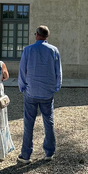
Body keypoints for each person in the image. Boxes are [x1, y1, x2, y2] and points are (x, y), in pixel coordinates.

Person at [17, 25, 62, 163]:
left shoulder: (28, 50)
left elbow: (22, 70)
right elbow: (58, 71)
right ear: (47, 36)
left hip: (31, 91)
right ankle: (49, 152)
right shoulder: (54, 50)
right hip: (47, 92)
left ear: (36, 34)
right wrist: (56, 87)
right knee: (48, 121)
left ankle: (26, 155)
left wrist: (22, 86)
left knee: (28, 123)